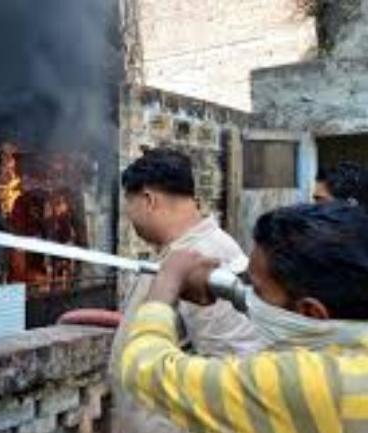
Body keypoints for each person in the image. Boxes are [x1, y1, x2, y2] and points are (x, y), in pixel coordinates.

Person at [63, 148, 263, 433]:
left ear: (148, 200)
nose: (130, 217)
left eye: (129, 205)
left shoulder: (208, 257)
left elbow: (234, 372)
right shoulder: (177, 254)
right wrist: (107, 390)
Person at [121, 203, 368, 433]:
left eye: (257, 291)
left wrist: (168, 280)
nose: (249, 298)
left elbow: (145, 369)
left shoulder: (316, 384)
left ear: (311, 313)